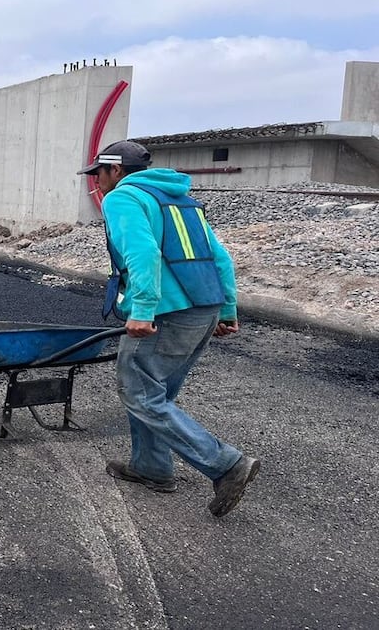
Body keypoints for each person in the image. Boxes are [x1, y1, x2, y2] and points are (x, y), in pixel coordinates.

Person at [79, 140, 259, 517]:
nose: (96, 180)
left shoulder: (123, 198)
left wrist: (142, 309)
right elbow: (220, 257)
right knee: (155, 392)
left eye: (99, 172)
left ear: (116, 170)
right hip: (203, 308)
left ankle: (225, 464)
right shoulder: (180, 199)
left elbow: (141, 253)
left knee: (140, 392)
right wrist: (226, 308)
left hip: (166, 313)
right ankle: (151, 467)